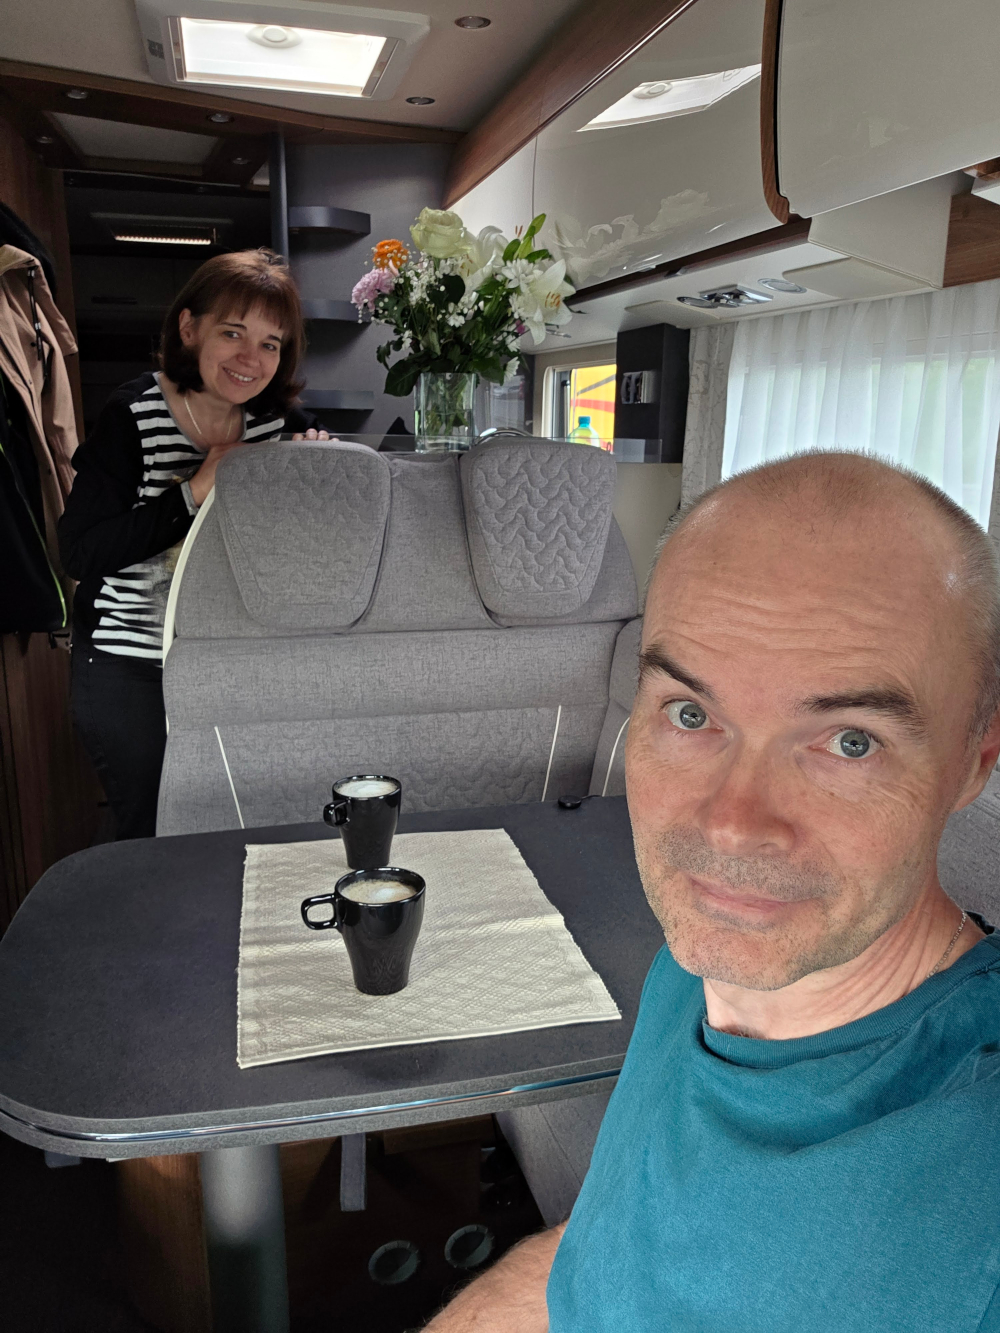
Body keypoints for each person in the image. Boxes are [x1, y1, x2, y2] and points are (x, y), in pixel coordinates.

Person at [425, 451, 1000, 1332]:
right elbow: (606, 1252)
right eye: (692, 714)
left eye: (850, 740)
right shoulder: (690, 974)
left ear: (973, 763)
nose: (732, 826)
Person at [59, 248, 328, 839]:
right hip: (130, 666)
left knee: (229, 822)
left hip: (232, 659)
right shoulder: (133, 415)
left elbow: (295, 542)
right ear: (189, 328)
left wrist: (313, 471)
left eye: (270, 343)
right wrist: (195, 489)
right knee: (151, 829)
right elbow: (79, 551)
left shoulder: (277, 423)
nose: (250, 358)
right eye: (232, 332)